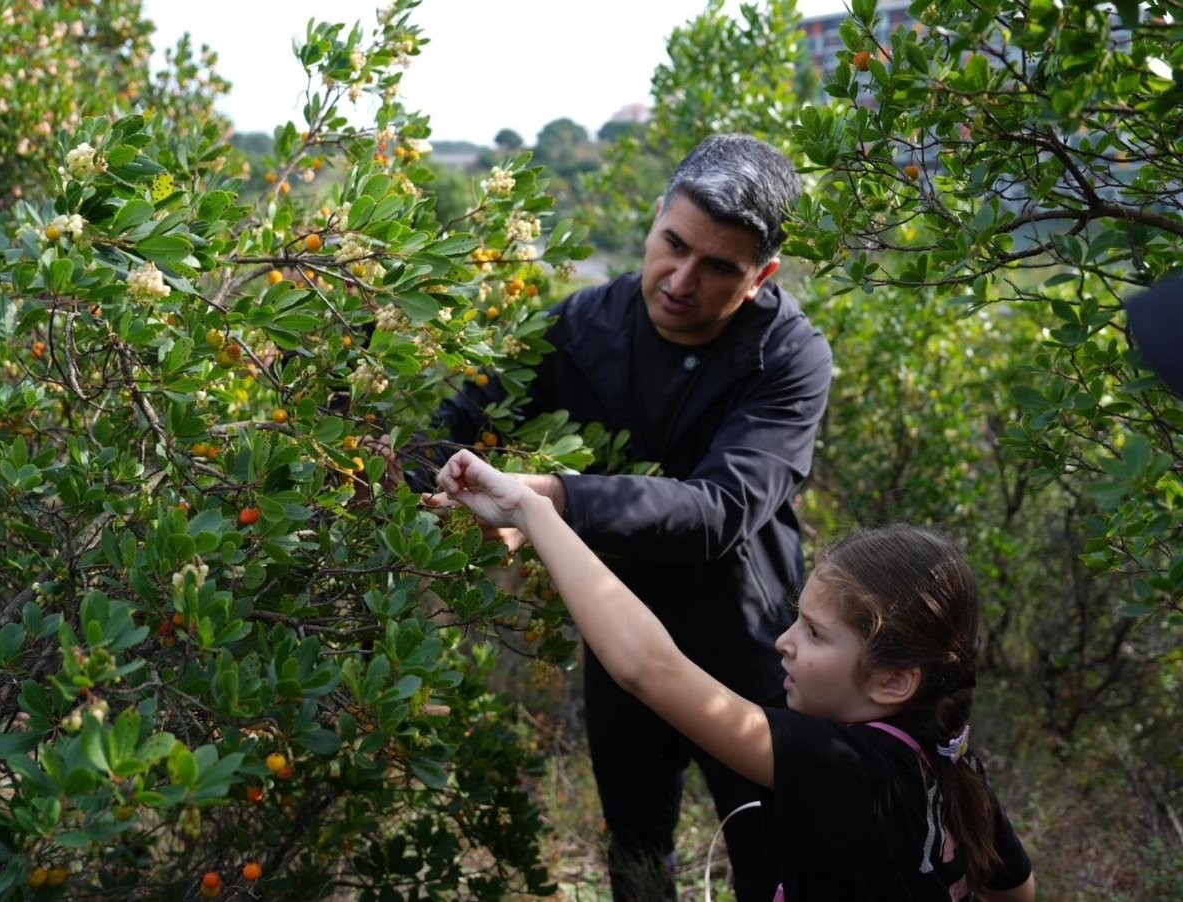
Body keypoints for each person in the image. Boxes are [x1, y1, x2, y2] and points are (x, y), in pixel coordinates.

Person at [434, 134, 833, 899]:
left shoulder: (789, 357)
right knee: (638, 861)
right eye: (673, 245)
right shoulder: (580, 324)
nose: (682, 280)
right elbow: (456, 424)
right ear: (654, 221)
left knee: (774, 861)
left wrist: (549, 498)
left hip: (749, 649)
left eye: (719, 267)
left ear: (762, 277)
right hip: (619, 639)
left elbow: (719, 510)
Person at [429, 450, 1037, 901]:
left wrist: (532, 511)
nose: (784, 643)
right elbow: (1016, 890)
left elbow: (647, 667)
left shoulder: (847, 766)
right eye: (797, 620)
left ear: (894, 682)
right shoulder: (951, 756)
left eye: (816, 635)